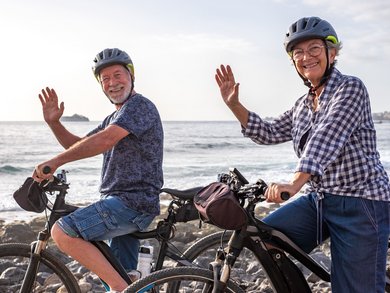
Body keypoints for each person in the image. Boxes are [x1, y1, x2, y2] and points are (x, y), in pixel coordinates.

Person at [215, 16, 390, 293]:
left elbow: (327, 137)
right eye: (298, 53)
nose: (306, 57)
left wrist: (294, 183)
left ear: (332, 53)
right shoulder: (303, 104)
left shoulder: (350, 88)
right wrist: (235, 105)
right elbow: (269, 132)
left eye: (314, 49)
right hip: (320, 201)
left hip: (361, 202)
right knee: (266, 237)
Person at [33, 48, 164, 292]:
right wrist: (54, 123)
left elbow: (105, 141)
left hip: (130, 204)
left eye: (118, 75)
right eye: (105, 79)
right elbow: (80, 145)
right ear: (101, 86)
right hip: (124, 203)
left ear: (131, 76)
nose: (112, 83)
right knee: (125, 273)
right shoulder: (115, 117)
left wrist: (55, 162)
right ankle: (128, 287)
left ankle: (122, 289)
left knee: (62, 232)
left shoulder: (139, 106)